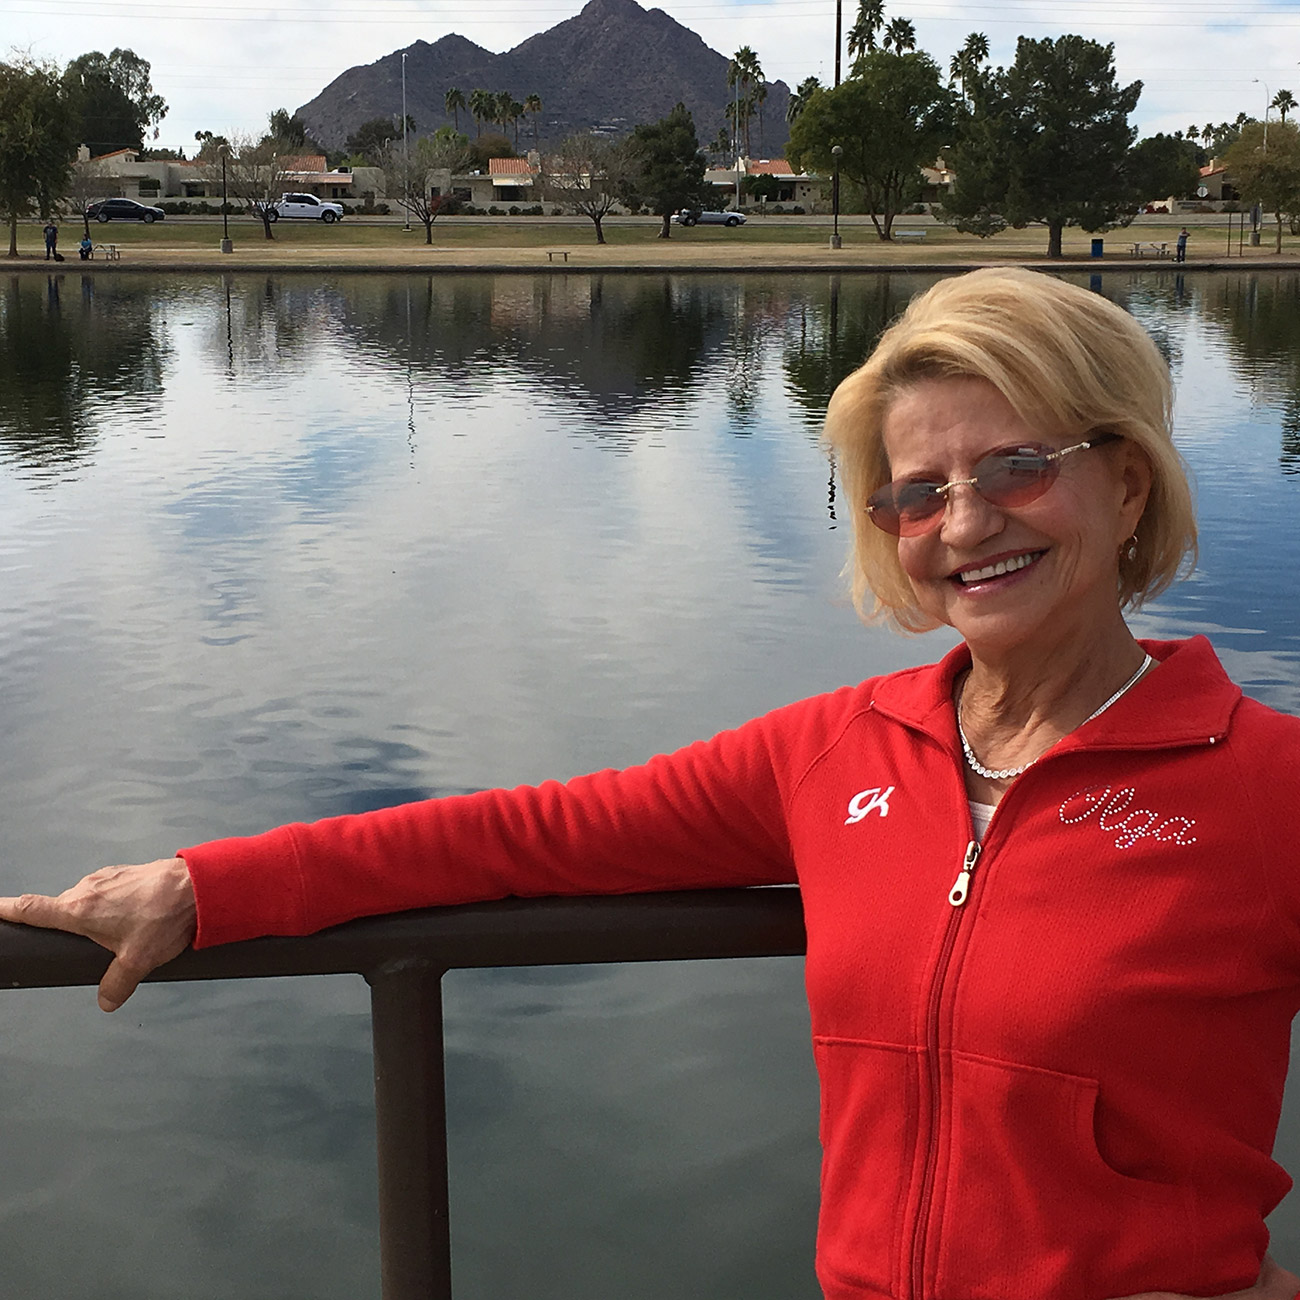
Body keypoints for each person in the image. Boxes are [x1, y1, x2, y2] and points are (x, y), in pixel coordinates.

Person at [4, 268, 1300, 1300]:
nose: (965, 524)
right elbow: (530, 837)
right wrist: (203, 888)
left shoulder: (1266, 788)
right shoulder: (837, 753)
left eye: (1018, 466)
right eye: (916, 494)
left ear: (1125, 481)